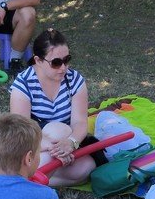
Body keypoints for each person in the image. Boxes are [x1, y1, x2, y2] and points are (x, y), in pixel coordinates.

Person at [9, 28, 99, 187]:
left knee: (87, 168)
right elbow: (21, 133)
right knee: (58, 129)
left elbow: (80, 123)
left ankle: (33, 181)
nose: (63, 67)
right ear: (38, 60)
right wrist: (55, 149)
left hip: (64, 145)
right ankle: (32, 182)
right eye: (56, 62)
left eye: (67, 59)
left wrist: (71, 143)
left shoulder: (74, 80)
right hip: (33, 147)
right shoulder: (23, 85)